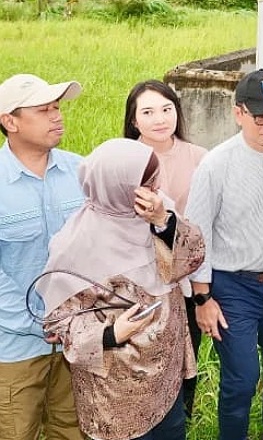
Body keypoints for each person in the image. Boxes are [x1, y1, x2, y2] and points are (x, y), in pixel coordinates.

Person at [38, 138, 205, 440]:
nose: (155, 190)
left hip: (165, 376)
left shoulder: (156, 210)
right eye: (147, 184)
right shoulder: (75, 245)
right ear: (117, 188)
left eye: (155, 181)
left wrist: (162, 221)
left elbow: (192, 257)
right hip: (115, 392)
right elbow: (59, 322)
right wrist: (111, 335)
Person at [185, 69, 263, 440]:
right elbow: (197, 233)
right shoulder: (216, 164)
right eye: (261, 118)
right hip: (232, 286)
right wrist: (202, 297)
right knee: (242, 376)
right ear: (239, 113)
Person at [0, 73, 84, 440]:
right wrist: (38, 322)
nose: (56, 116)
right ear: (10, 121)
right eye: (43, 109)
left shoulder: (82, 171)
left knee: (73, 431)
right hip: (15, 348)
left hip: (76, 342)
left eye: (57, 107)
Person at [124, 79, 208, 417]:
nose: (160, 119)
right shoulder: (121, 158)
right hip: (137, 280)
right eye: (148, 112)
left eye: (166, 109)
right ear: (133, 120)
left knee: (185, 358)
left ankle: (180, 420)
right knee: (139, 363)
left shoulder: (200, 157)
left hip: (184, 275)